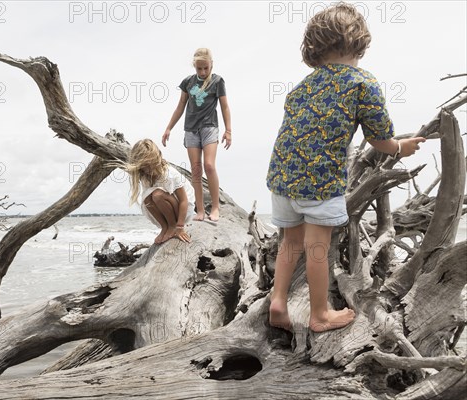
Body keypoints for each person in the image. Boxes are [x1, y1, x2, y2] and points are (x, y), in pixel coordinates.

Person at [266, 2, 426, 333]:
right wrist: (401, 148)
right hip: (320, 183)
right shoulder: (362, 82)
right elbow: (380, 137)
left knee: (290, 242)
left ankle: (278, 302)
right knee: (317, 247)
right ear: (358, 40)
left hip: (282, 177)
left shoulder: (301, 88)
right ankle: (320, 313)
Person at [162, 48, 232, 222]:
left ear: (211, 65)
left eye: (206, 68)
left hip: (210, 127)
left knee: (209, 165)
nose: (202, 72)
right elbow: (180, 106)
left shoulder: (217, 81)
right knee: (195, 169)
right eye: (199, 69)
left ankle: (215, 208)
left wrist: (228, 130)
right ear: (195, 67)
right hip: (191, 129)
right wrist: (169, 128)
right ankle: (200, 210)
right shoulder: (188, 82)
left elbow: (224, 107)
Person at [125, 139, 194, 244]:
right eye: (144, 166)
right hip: (169, 208)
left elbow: (184, 201)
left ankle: (173, 226)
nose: (147, 169)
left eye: (150, 164)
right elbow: (150, 201)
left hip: (183, 211)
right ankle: (165, 227)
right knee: (147, 198)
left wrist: (180, 227)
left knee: (157, 195)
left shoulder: (170, 174)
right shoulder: (146, 177)